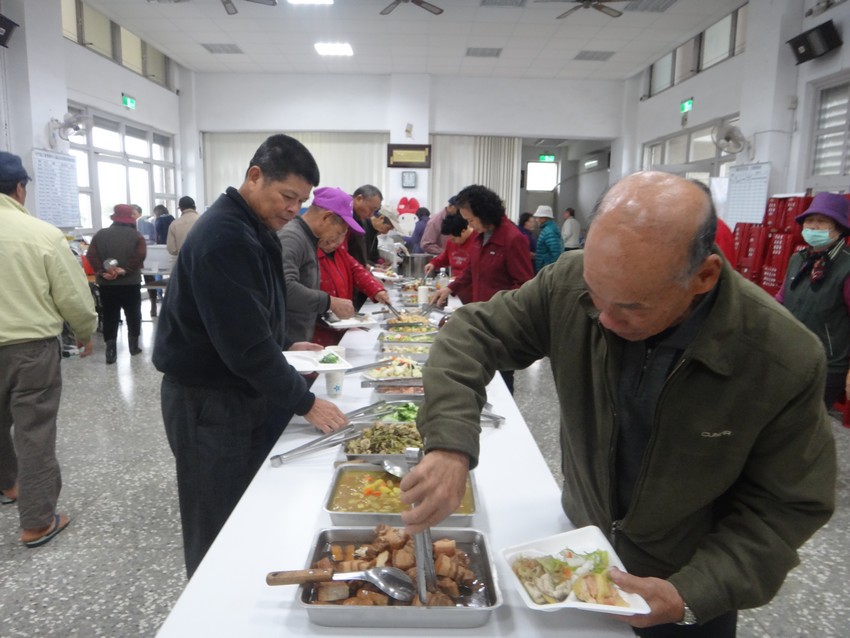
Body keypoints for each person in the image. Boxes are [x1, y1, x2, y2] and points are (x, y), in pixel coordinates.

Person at [400, 172, 836, 637]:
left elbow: (786, 506)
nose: (604, 319)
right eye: (595, 295)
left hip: (681, 582)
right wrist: (449, 445)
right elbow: (472, 334)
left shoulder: (780, 356)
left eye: (630, 307)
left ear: (703, 276)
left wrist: (694, 593)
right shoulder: (570, 283)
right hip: (578, 552)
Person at [152, 134, 349, 578]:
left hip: (236, 390)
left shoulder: (253, 229)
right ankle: (212, 608)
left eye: (300, 201)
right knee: (216, 523)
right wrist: (307, 403)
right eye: (286, 196)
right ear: (254, 177)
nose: (292, 209)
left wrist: (284, 345)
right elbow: (245, 348)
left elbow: (248, 319)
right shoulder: (224, 236)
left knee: (248, 511)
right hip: (207, 401)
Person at [0, 151, 97, 547]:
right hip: (29, 350)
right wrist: (85, 331)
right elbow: (73, 296)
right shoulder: (40, 234)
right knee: (34, 430)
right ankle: (37, 522)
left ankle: (8, 486)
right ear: (20, 189)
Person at [429, 184, 534, 393]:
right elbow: (470, 270)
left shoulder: (513, 239)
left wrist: (500, 312)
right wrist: (450, 288)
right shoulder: (480, 236)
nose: (470, 225)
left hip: (502, 324)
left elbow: (524, 286)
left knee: (502, 379)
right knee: (481, 372)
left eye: (471, 220)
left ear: (484, 213)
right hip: (481, 319)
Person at [777, 192, 850, 408]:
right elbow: (781, 299)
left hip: (827, 366)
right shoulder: (798, 259)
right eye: (810, 220)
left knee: (808, 428)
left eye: (822, 221)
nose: (814, 226)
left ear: (839, 228)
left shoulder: (846, 266)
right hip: (791, 356)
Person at [278, 186, 365, 342]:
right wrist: (330, 302)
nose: (339, 240)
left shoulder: (309, 239)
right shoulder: (292, 238)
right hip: (288, 342)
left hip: (299, 340)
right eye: (339, 233)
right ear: (326, 217)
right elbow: (284, 287)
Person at [86, 204, 147, 363]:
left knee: (110, 315)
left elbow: (91, 255)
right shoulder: (136, 236)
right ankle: (134, 347)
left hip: (107, 284)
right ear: (129, 219)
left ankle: (110, 351)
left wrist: (102, 271)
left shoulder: (100, 235)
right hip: (130, 283)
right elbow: (140, 255)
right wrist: (125, 270)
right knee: (133, 313)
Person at [314, 230, 392, 347]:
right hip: (317, 326)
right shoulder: (310, 252)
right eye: (335, 237)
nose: (338, 242)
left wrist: (377, 290)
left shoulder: (339, 251)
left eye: (342, 236)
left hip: (341, 322)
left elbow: (356, 270)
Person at [423, 212, 477, 304]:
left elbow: (473, 271)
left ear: (463, 231)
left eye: (453, 239)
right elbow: (445, 257)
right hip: (454, 289)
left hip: (471, 292)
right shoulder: (451, 242)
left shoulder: (477, 241)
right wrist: (433, 263)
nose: (452, 242)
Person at [346, 184, 383, 267]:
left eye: (374, 211)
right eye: (371, 209)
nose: (371, 215)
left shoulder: (360, 219)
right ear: (359, 199)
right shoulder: (344, 218)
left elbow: (357, 255)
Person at [533, 204, 563, 271]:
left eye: (538, 217)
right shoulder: (549, 229)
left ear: (544, 218)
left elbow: (556, 253)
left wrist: (548, 268)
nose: (536, 220)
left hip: (546, 269)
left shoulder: (549, 231)